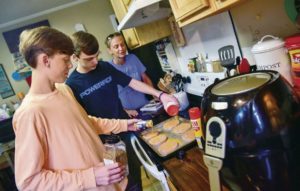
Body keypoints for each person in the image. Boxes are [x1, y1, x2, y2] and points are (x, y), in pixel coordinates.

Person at [13, 26, 140, 191]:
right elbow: (28, 182)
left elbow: (84, 123)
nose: (71, 64)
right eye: (65, 60)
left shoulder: (64, 90)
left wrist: (124, 124)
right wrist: (90, 177)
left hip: (111, 185)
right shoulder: (30, 113)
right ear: (45, 60)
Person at [66, 31, 179, 191]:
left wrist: (160, 94)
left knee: (135, 172)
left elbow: (132, 82)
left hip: (127, 130)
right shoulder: (72, 85)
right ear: (75, 57)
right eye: (89, 58)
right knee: (121, 181)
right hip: (105, 143)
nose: (96, 61)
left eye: (97, 55)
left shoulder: (104, 67)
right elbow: (84, 121)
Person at [105, 32, 154, 119]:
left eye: (122, 44)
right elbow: (109, 97)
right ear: (109, 50)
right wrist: (125, 111)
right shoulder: (107, 68)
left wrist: (155, 95)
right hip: (130, 114)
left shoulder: (133, 58)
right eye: (116, 46)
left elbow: (145, 78)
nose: (121, 48)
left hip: (146, 107)